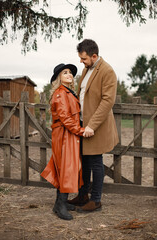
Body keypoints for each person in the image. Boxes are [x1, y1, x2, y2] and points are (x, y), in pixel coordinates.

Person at [68, 39, 119, 212]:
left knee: (96, 162)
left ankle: (96, 200)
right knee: (85, 161)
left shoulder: (107, 71)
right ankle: (83, 195)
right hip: (83, 124)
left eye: (83, 58)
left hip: (96, 126)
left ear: (94, 56)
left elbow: (107, 101)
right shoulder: (86, 69)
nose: (81, 62)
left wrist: (92, 126)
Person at [41, 63, 85, 220]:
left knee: (67, 167)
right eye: (65, 72)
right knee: (65, 167)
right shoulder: (60, 94)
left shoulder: (68, 92)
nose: (69, 75)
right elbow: (65, 118)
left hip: (69, 134)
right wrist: (81, 131)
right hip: (64, 134)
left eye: (71, 73)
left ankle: (60, 203)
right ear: (58, 77)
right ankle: (61, 205)